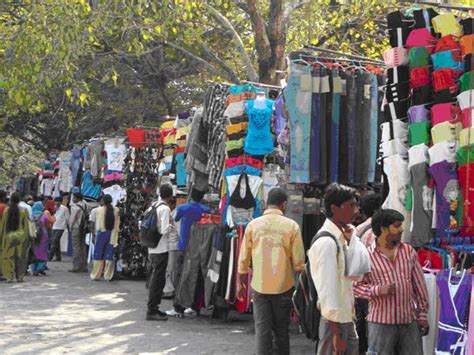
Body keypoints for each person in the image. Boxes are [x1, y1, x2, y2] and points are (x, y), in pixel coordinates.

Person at [237, 188, 305, 355]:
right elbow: (298, 264)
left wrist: (241, 284)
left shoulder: (253, 225)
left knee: (262, 331)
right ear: (284, 205)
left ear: (267, 203)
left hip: (259, 286)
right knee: (281, 332)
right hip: (284, 286)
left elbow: (243, 259)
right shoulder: (292, 227)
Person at [353, 209, 429, 355]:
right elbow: (355, 287)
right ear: (383, 229)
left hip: (408, 321)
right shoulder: (367, 256)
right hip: (380, 323)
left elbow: (419, 286)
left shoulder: (408, 251)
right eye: (397, 226)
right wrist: (377, 290)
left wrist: (422, 315)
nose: (401, 230)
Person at [308, 183, 361, 355]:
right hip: (335, 321)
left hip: (344, 317)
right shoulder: (327, 243)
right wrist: (336, 333)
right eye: (351, 206)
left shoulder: (340, 238)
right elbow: (327, 293)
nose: (356, 211)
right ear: (334, 209)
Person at [166, 188, 210, 318]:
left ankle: (178, 307)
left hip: (184, 245)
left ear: (191, 195)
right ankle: (194, 306)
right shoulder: (205, 210)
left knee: (181, 277)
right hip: (199, 246)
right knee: (197, 276)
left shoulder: (183, 208)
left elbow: (175, 219)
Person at [354, 193, 382, 354]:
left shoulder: (359, 230)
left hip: (361, 285)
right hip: (378, 285)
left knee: (362, 322)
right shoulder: (384, 229)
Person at [146, 184, 174, 321]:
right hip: (161, 248)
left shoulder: (152, 206)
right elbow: (164, 230)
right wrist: (172, 226)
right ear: (170, 196)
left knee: (156, 278)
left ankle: (154, 308)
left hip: (152, 248)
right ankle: (152, 310)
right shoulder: (165, 209)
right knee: (158, 280)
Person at [0, 192, 30, 282]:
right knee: (21, 256)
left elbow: (3, 226)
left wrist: (2, 237)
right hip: (20, 236)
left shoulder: (6, 210)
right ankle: (20, 276)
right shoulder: (24, 210)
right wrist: (27, 237)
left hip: (8, 236)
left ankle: (9, 276)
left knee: (7, 256)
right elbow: (26, 226)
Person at [90, 194, 120, 281]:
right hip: (112, 234)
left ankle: (96, 275)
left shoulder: (99, 210)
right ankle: (108, 276)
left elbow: (98, 225)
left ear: (103, 201)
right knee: (109, 254)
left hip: (102, 233)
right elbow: (117, 225)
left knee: (98, 254)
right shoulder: (116, 210)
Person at [31, 202, 53, 276]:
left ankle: (34, 269)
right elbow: (49, 225)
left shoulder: (31, 216)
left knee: (35, 252)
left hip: (33, 236)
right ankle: (40, 268)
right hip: (43, 236)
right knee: (43, 252)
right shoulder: (44, 216)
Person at [69, 192, 88, 273]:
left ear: (77, 198)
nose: (72, 199)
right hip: (83, 227)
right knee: (83, 246)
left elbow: (72, 219)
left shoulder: (75, 207)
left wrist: (70, 227)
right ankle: (84, 266)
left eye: (73, 197)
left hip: (76, 227)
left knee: (76, 247)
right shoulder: (86, 204)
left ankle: (76, 266)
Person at [162, 196, 178, 299]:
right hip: (169, 244)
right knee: (169, 268)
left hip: (173, 245)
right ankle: (168, 290)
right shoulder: (170, 214)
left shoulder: (175, 215)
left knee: (170, 269)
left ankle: (170, 291)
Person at [49, 196, 70, 261]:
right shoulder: (55, 208)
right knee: (56, 241)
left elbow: (67, 218)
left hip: (61, 226)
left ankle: (50, 256)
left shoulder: (65, 208)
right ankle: (58, 257)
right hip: (54, 226)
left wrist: (66, 226)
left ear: (60, 202)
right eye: (55, 202)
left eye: (57, 202)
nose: (55, 203)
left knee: (54, 241)